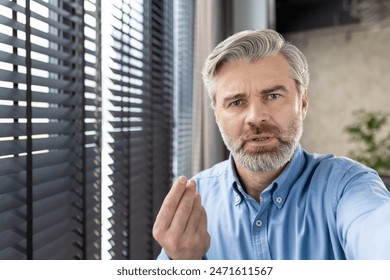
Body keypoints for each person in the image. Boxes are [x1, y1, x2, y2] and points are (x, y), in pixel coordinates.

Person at [152, 29, 390, 260]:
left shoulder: (347, 187)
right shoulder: (194, 202)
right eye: (236, 102)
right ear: (216, 114)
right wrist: (183, 265)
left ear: (303, 102)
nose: (255, 117)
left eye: (273, 96)